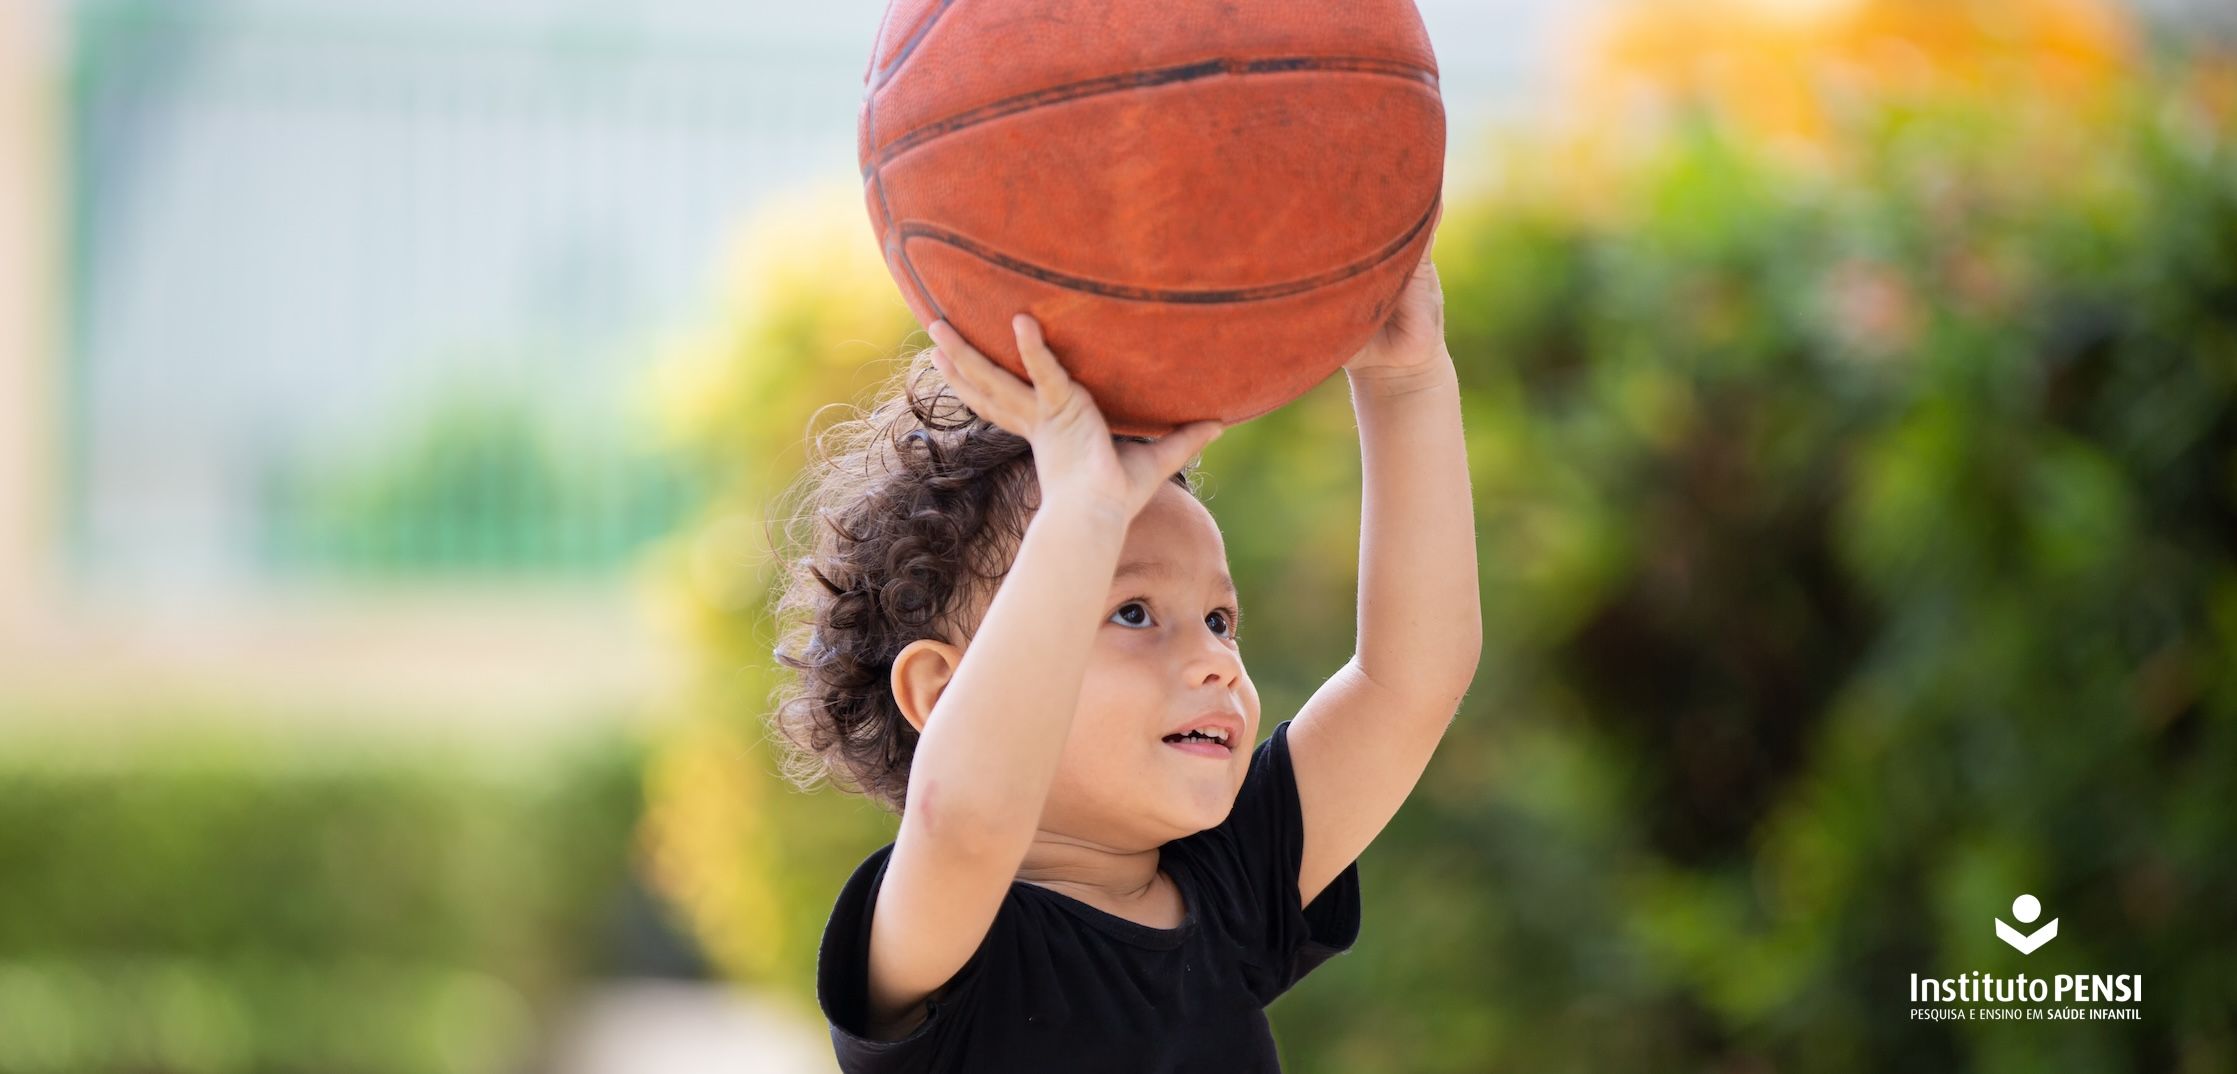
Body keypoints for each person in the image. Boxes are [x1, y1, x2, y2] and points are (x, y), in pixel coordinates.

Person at [767, 239, 1481, 1071]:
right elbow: (964, 820)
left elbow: (1408, 681)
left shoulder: (1231, 887)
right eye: (1133, 612)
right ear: (941, 691)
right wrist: (1083, 514)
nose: (1214, 660)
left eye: (1219, 620)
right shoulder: (946, 932)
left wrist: (1405, 383)